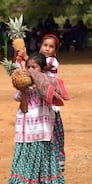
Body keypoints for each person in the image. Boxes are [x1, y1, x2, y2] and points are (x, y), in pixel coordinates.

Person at [8, 53, 65, 184]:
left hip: (41, 131)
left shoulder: (45, 84)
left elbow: (52, 97)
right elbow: (24, 109)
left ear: (42, 69)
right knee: (24, 161)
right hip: (26, 132)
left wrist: (39, 81)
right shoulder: (23, 89)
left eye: (34, 67)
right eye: (28, 67)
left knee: (41, 163)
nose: (30, 70)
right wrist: (23, 89)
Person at [18, 34, 66, 171]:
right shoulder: (35, 62)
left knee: (54, 135)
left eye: (51, 47)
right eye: (45, 45)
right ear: (40, 46)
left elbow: (44, 65)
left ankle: (58, 162)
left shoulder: (53, 61)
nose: (47, 49)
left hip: (51, 105)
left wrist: (27, 57)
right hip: (38, 104)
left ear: (55, 50)